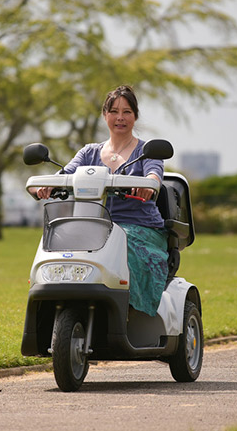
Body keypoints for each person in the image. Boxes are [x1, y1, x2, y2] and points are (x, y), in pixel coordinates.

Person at [37, 85, 168, 317]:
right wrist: (50, 184)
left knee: (120, 247)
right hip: (94, 227)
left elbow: (154, 173)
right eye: (114, 111)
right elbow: (66, 174)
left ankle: (129, 313)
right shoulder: (89, 152)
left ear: (135, 116)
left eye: (127, 112)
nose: (120, 117)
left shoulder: (147, 151)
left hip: (139, 227)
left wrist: (149, 183)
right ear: (104, 115)